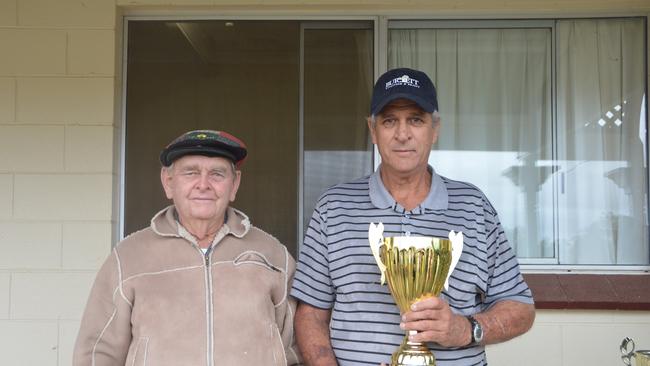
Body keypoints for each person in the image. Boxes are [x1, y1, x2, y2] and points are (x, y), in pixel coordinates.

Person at [291, 68, 535, 366]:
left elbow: (520, 307)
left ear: (435, 129)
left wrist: (465, 329)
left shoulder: (473, 206)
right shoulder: (334, 207)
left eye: (416, 120)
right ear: (372, 130)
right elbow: (310, 314)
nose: (403, 133)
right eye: (390, 120)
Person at [73, 130, 301, 366]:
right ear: (168, 182)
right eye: (191, 172)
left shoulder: (272, 255)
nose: (203, 184)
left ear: (234, 184)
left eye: (217, 174)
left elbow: (296, 349)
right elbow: (97, 353)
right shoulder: (128, 258)